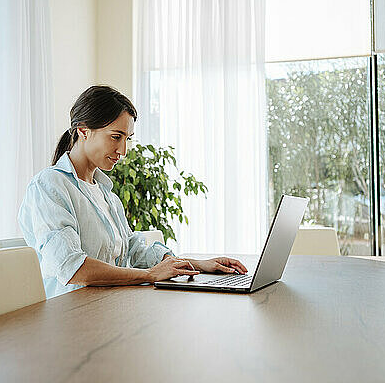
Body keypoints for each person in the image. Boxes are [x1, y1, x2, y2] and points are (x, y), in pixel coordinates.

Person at [18, 85, 248, 299]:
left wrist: (196, 264)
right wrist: (149, 275)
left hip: (110, 304)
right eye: (116, 137)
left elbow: (133, 252)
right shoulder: (49, 186)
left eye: (128, 139)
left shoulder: (106, 193)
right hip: (71, 313)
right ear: (83, 131)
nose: (123, 150)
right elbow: (73, 267)